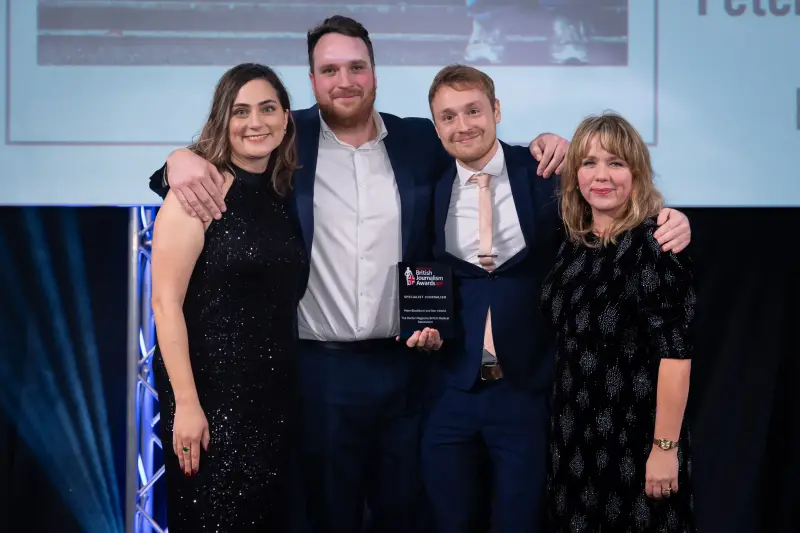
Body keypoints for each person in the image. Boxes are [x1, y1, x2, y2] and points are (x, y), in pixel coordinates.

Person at [147, 16, 568, 533]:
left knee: (409, 514)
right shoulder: (284, 133)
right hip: (316, 372)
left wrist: (549, 143)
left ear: (374, 73)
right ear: (312, 81)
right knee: (326, 516)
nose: (343, 80)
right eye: (329, 70)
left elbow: (485, 148)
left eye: (355, 67)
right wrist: (176, 161)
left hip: (409, 370)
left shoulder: (420, 138)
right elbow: (215, 156)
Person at [423, 65, 692, 533]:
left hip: (538, 395)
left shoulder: (541, 173)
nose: (462, 124)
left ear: (497, 111)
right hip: (483, 397)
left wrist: (673, 218)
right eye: (447, 116)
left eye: (473, 110)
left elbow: (675, 348)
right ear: (435, 124)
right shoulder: (425, 184)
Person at [150, 63, 306, 532]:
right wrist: (188, 405)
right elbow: (165, 304)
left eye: (267, 109)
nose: (255, 122)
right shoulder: (198, 193)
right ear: (223, 119)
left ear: (285, 119)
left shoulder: (284, 194)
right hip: (210, 398)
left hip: (276, 397)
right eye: (240, 111)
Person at [540, 112, 696, 532]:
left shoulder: (653, 245)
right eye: (589, 163)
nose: (601, 175)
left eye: (616, 162)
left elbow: (676, 358)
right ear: (575, 175)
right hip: (572, 444)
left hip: (635, 444)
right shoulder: (573, 246)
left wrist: (665, 449)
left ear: (637, 173)